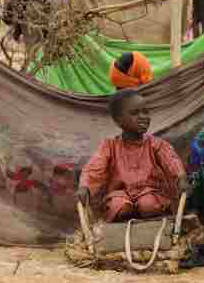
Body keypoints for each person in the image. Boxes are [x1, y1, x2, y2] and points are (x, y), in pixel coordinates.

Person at [76, 90, 188, 223]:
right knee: (119, 206)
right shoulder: (109, 146)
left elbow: (171, 161)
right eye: (135, 113)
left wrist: (181, 178)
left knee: (148, 204)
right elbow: (94, 168)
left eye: (145, 112)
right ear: (118, 121)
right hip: (121, 195)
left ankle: (155, 229)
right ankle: (123, 234)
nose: (143, 117)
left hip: (151, 193)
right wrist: (85, 187)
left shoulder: (156, 144)